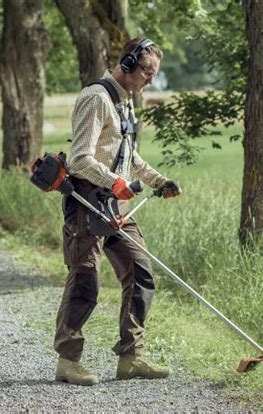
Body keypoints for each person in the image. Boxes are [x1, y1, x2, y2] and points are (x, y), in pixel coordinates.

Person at [54, 37, 182, 386]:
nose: (150, 80)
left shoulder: (126, 102)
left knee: (140, 272)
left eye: (154, 74)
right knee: (85, 280)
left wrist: (158, 180)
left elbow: (129, 156)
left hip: (115, 203)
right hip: (86, 201)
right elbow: (80, 158)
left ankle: (131, 357)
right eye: (146, 72)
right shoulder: (95, 98)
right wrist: (114, 182)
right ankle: (68, 360)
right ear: (126, 64)